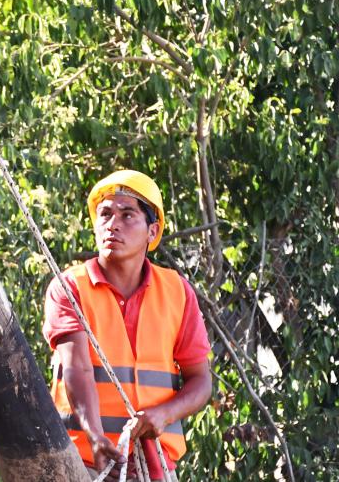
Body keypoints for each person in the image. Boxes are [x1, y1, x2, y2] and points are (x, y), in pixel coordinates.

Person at [43, 170, 212, 480]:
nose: (113, 224)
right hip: (83, 466)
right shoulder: (69, 287)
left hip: (156, 468)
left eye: (127, 214)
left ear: (152, 231)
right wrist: (96, 437)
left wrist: (164, 414)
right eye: (105, 214)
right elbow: (76, 369)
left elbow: (201, 381)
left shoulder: (176, 291)